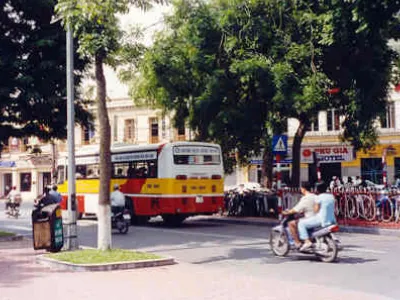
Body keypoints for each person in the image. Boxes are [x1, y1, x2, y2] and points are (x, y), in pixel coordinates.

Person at [298, 181, 336, 251]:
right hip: (332, 220)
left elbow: (315, 210)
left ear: (317, 189)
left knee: (301, 223)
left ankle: (307, 242)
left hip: (321, 220)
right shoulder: (331, 196)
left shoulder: (318, 197)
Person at [282, 182, 316, 249]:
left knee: (291, 223)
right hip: (316, 218)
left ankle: (297, 243)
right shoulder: (315, 196)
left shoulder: (305, 198)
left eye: (301, 188)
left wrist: (286, 212)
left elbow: (296, 209)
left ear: (303, 189)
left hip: (309, 219)